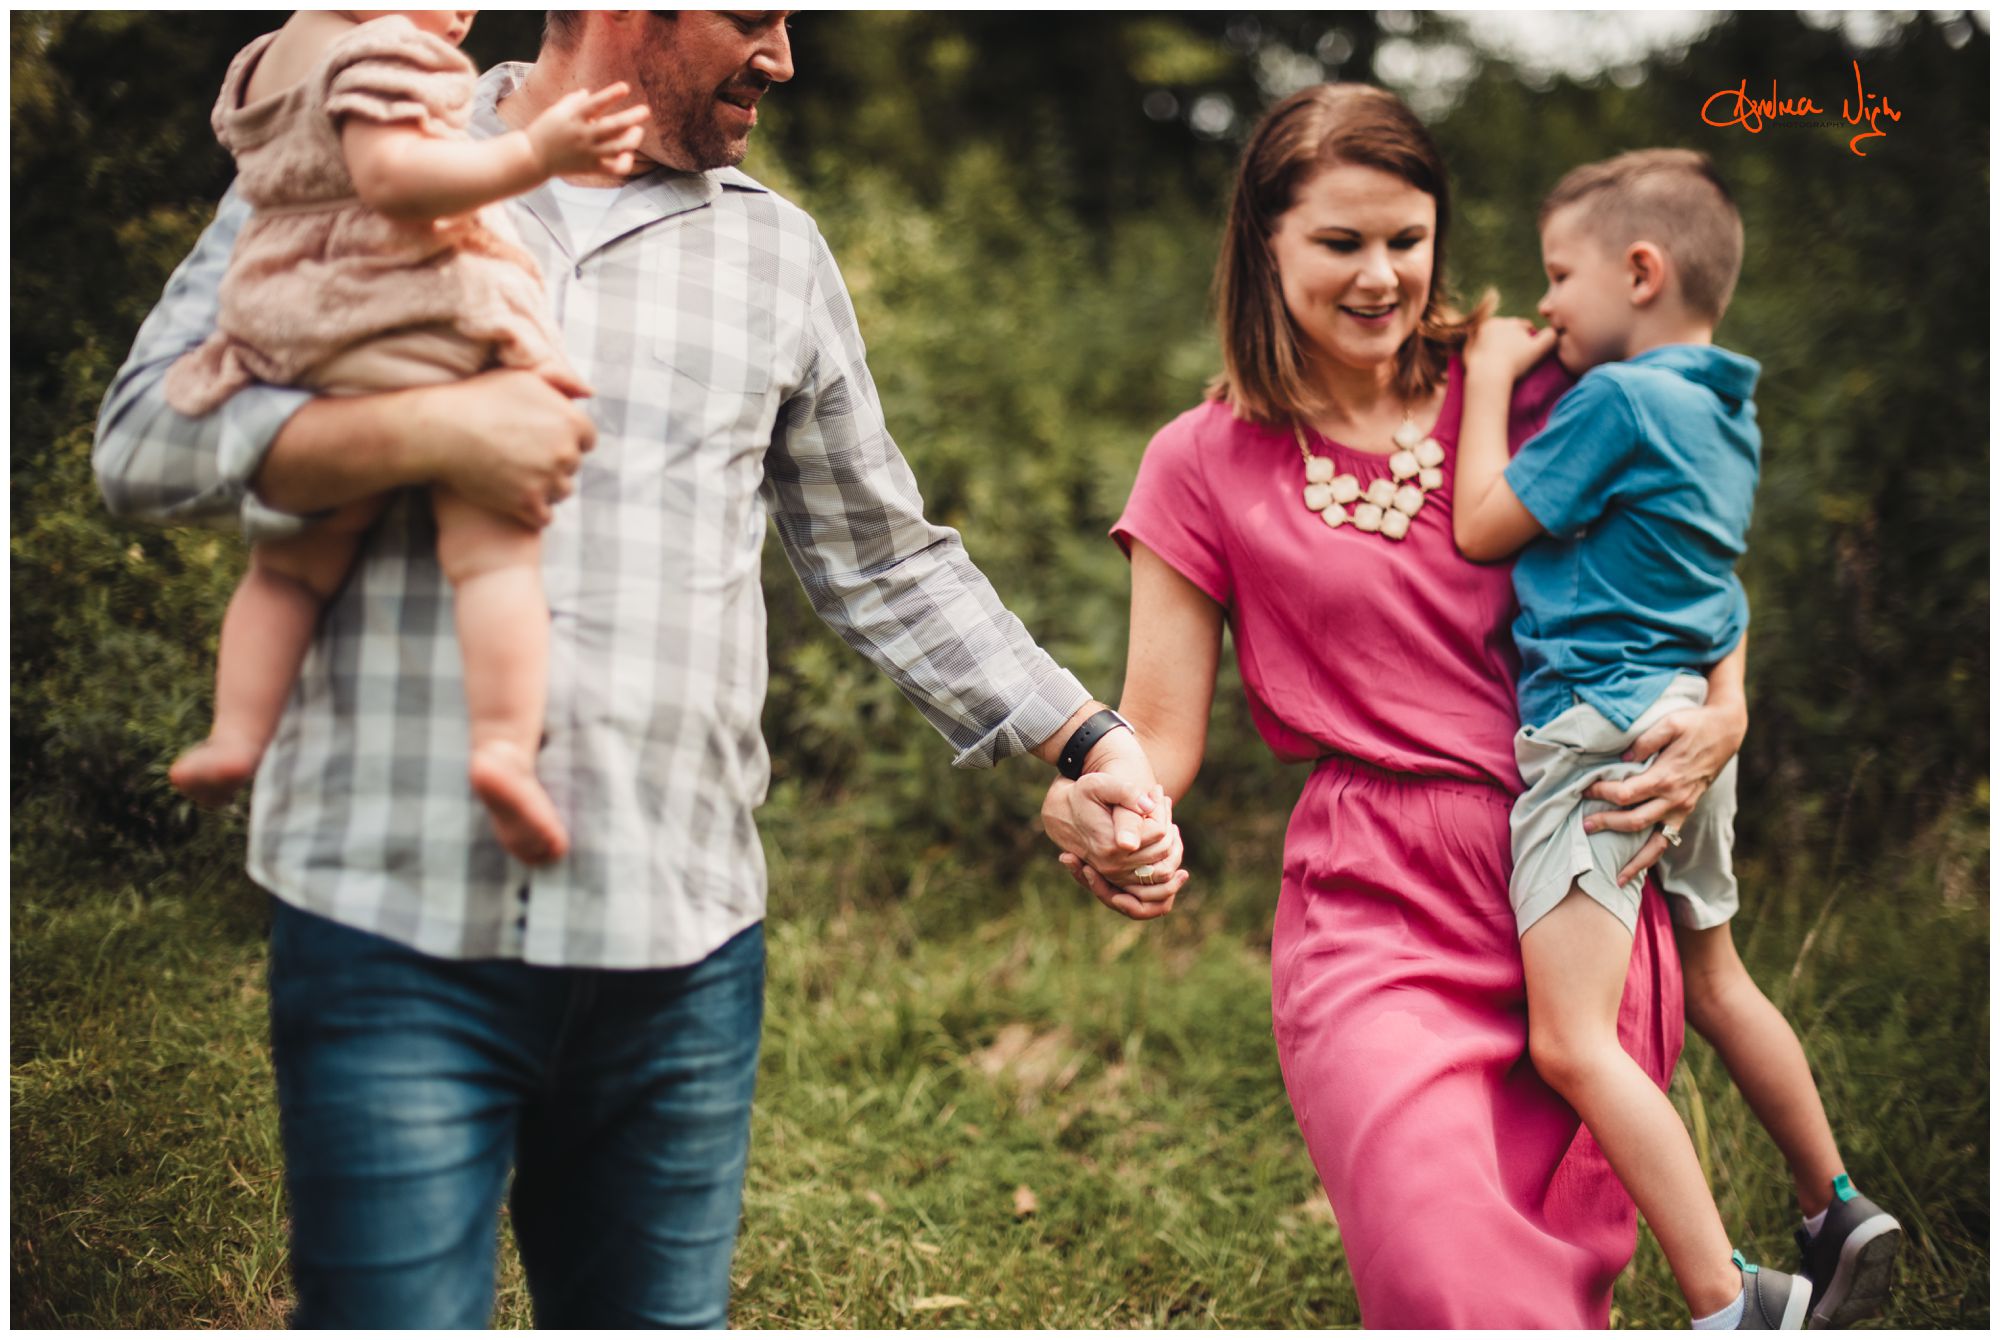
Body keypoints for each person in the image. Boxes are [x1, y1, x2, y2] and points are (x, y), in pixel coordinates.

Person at [94, 10, 1185, 1328]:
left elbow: (883, 561)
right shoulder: (358, 141)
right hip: (388, 918)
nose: (783, 54)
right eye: (755, 12)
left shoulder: (774, 253)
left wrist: (1084, 738)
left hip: (677, 949)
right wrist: (425, 430)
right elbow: (144, 441)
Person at [1042, 84, 1748, 1328]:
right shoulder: (1198, 459)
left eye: (1406, 240)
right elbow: (1155, 735)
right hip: (1371, 899)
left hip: (1569, 871)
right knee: (1438, 1273)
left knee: (1551, 1281)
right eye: (1339, 243)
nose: (1381, 277)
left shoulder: (1540, 394)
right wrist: (1093, 793)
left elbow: (1696, 572)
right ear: (1263, 243)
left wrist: (1726, 712)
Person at [1450, 148, 1901, 1330]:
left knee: (1569, 1038)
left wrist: (1494, 377)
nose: (1543, 304)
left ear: (1638, 270)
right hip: (1692, 723)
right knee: (1714, 975)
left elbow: (1480, 526)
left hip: (1597, 735)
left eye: (1557, 275)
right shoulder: (1723, 410)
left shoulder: (1615, 399)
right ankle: (1835, 1199)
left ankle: (1733, 1297)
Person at [163, 9, 650, 870]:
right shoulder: (382, 51)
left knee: (286, 566)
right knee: (495, 555)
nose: (465, 11)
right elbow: (392, 178)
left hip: (294, 331)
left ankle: (235, 735)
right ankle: (503, 749)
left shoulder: (269, 63)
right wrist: (534, 158)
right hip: (398, 311)